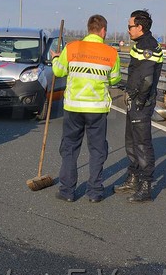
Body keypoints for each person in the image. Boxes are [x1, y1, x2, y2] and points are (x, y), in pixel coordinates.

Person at [52, 15, 121, 203]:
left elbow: (58, 71)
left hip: (73, 107)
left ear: (88, 29)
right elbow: (115, 79)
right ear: (103, 31)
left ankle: (67, 191)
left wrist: (55, 59)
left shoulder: (71, 48)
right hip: (97, 109)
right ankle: (95, 192)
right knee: (97, 150)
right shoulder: (111, 53)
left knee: (70, 148)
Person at [114, 9, 164, 203]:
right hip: (134, 101)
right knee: (131, 141)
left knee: (142, 144)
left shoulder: (148, 46)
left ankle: (145, 186)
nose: (128, 30)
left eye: (130, 26)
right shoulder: (140, 44)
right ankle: (133, 177)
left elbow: (146, 79)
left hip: (141, 103)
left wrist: (138, 101)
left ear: (139, 27)